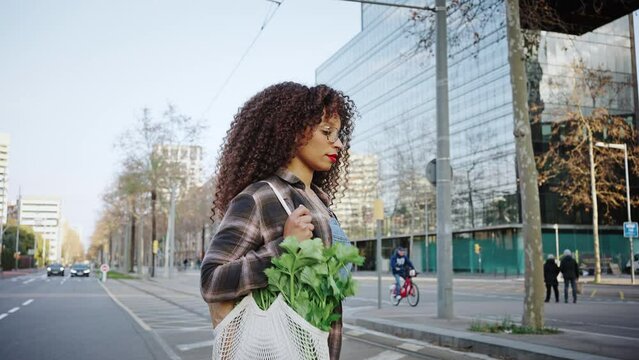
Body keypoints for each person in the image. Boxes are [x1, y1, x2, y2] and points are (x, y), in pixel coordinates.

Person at [200, 82, 356, 360]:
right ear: (294, 132)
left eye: (339, 134)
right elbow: (211, 281)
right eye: (327, 132)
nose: (339, 143)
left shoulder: (322, 204)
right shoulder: (260, 197)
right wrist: (284, 249)